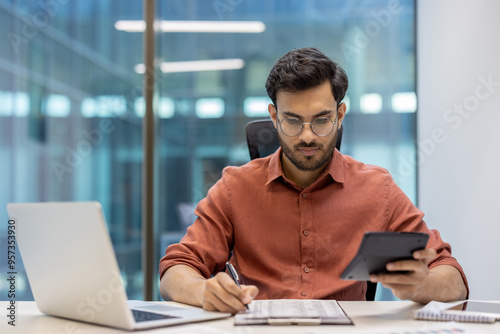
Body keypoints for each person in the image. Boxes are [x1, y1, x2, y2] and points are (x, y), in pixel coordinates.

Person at [159, 47, 468, 313]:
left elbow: (453, 280)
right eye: (293, 120)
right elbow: (175, 268)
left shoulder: (377, 188)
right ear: (274, 116)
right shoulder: (234, 188)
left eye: (321, 119)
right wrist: (202, 291)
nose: (307, 136)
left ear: (340, 114)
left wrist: (422, 284)